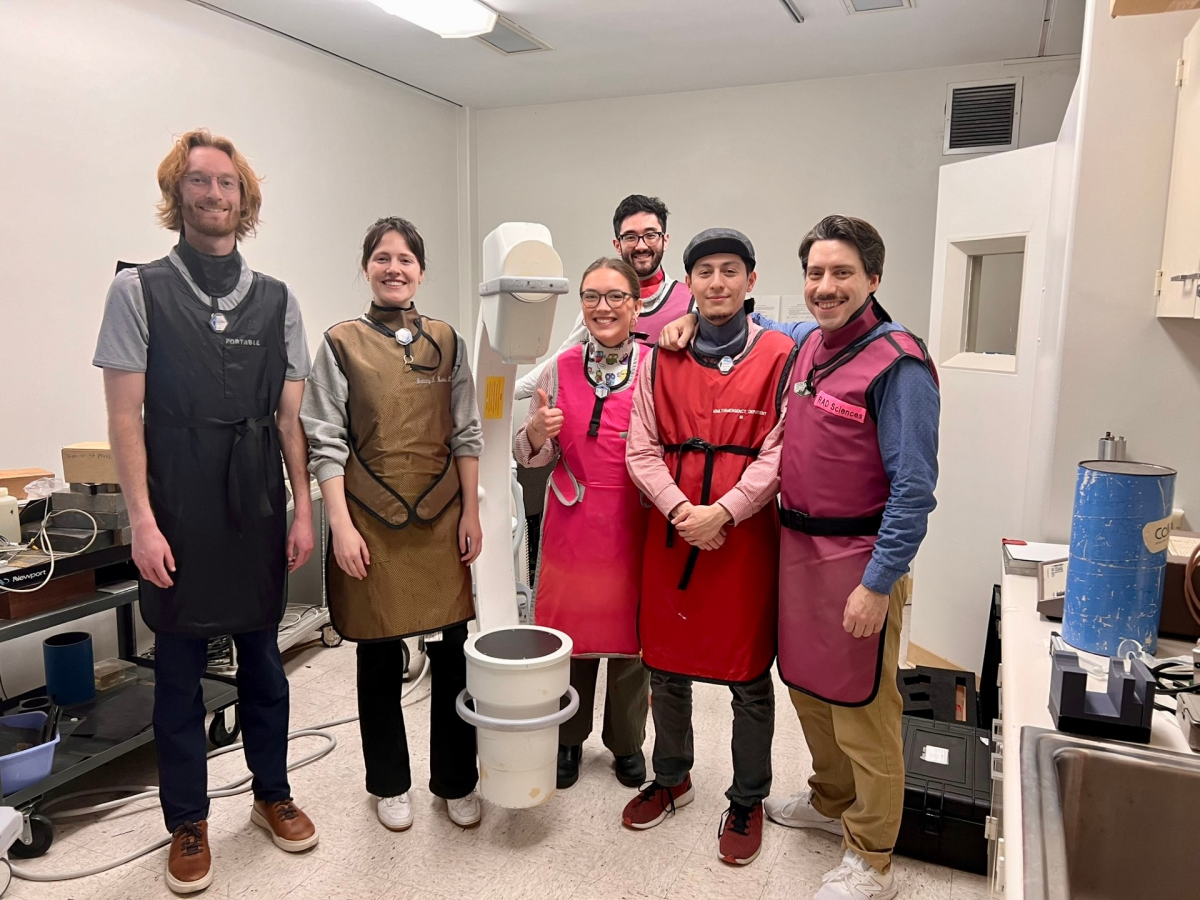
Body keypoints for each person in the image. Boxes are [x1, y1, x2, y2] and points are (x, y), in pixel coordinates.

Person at [660, 216, 940, 900]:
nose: (825, 286)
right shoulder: (806, 346)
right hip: (798, 552)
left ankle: (872, 857)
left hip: (861, 559)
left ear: (873, 279)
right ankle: (829, 800)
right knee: (809, 689)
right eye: (815, 273)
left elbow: (914, 488)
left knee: (864, 709)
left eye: (842, 273)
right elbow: (739, 336)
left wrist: (879, 584)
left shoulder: (898, 365)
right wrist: (684, 324)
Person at [95, 129, 318, 895]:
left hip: (256, 497)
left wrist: (303, 511)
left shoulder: (279, 299)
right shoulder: (138, 290)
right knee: (180, 674)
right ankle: (186, 821)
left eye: (227, 184)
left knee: (264, 665)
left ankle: (272, 795)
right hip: (178, 503)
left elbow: (291, 420)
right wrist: (143, 521)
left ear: (244, 199)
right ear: (177, 193)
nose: (214, 194)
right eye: (199, 182)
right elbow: (126, 419)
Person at [302, 217, 484, 835]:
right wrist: (340, 527)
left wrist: (473, 516)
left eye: (406, 259)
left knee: (454, 655)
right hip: (368, 521)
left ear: (422, 272)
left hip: (440, 518)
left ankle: (457, 781)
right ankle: (388, 783)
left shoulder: (448, 341)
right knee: (378, 653)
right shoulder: (340, 342)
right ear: (366, 268)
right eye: (382, 258)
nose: (394, 268)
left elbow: (466, 433)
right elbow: (322, 439)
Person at [623, 229, 797, 867]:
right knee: (665, 664)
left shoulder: (782, 353)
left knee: (749, 678)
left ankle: (748, 797)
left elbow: (781, 450)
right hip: (671, 537)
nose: (717, 282)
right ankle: (672, 776)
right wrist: (680, 510)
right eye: (704, 272)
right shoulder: (658, 358)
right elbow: (639, 447)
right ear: (688, 283)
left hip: (745, 538)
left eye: (730, 271)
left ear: (751, 281)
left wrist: (723, 511)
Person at [514, 257, 652, 792]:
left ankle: (626, 743)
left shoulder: (656, 368)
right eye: (592, 296)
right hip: (572, 519)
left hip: (632, 521)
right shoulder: (560, 366)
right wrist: (534, 430)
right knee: (568, 640)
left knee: (630, 640)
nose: (603, 307)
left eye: (616, 296)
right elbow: (533, 457)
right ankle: (568, 739)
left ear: (636, 305)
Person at [514, 194, 693, 401]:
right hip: (610, 423)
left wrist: (694, 318)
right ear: (617, 245)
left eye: (651, 235)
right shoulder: (600, 307)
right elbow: (558, 364)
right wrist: (506, 393)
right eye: (631, 237)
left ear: (665, 240)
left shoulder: (690, 302)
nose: (641, 246)